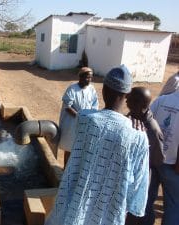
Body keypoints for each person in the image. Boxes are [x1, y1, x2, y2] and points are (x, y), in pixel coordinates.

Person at [45, 65, 149, 225]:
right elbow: (138, 184)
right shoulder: (139, 136)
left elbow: (89, 115)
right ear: (126, 95)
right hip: (108, 212)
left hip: (74, 208)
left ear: (103, 90)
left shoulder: (85, 119)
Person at [125, 87, 164, 225]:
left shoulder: (152, 130)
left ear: (140, 104)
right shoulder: (129, 118)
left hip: (142, 181)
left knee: (141, 213)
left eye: (130, 98)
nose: (126, 99)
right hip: (126, 179)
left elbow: (158, 160)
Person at [142, 88, 179, 225]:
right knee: (174, 205)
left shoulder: (162, 100)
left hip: (152, 160)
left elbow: (145, 121)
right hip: (173, 165)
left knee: (146, 199)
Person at [58, 67, 98, 166]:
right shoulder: (72, 88)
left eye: (91, 78)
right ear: (80, 77)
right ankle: (65, 169)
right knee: (70, 148)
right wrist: (79, 116)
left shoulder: (91, 89)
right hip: (72, 123)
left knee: (82, 148)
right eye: (87, 77)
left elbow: (95, 104)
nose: (89, 80)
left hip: (86, 122)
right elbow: (67, 106)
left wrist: (90, 117)